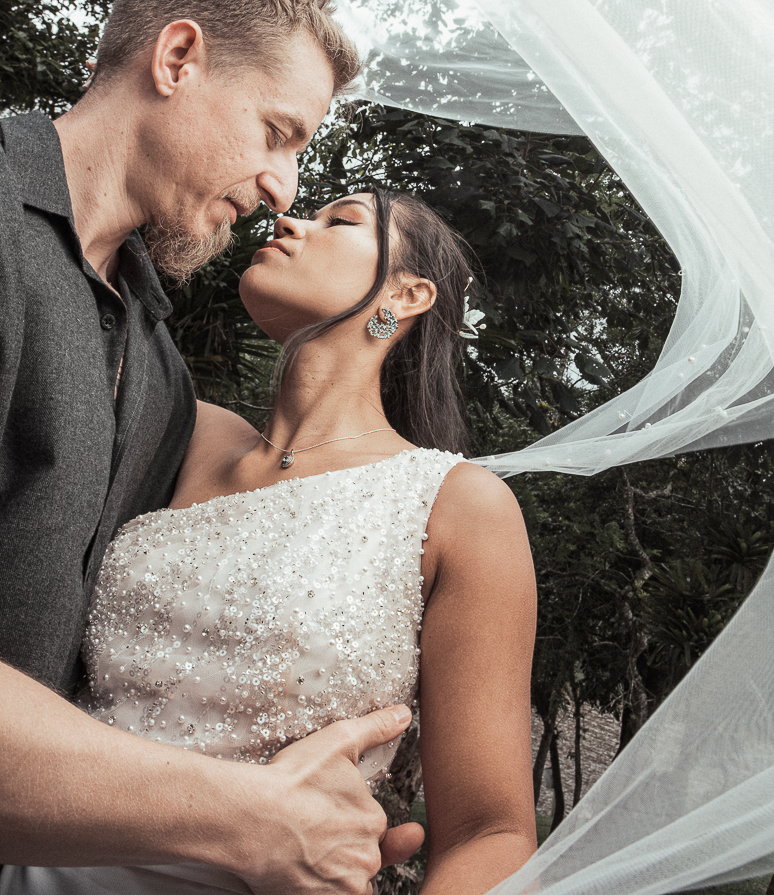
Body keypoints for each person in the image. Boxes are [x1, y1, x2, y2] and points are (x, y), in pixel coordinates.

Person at [0, 0, 423, 892]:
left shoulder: (156, 365)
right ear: (178, 58)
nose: (283, 188)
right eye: (277, 132)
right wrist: (247, 818)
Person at [1, 185, 538, 895]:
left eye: (340, 221)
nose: (288, 219)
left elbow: (490, 832)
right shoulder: (179, 430)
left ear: (407, 296)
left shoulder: (458, 505)